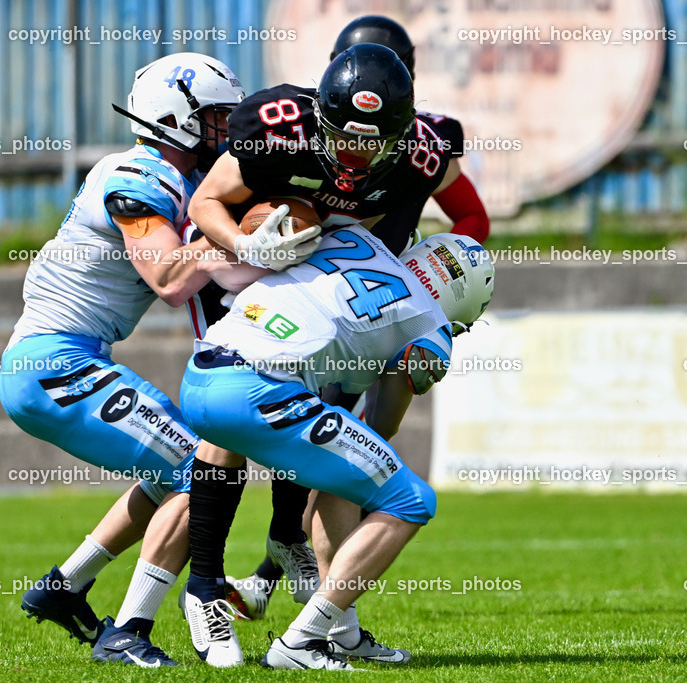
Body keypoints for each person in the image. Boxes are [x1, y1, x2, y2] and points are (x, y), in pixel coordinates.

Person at [0, 51, 316, 667]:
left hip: (68, 358)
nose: (230, 129)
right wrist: (240, 234)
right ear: (179, 118)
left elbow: (213, 264)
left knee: (179, 460)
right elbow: (171, 277)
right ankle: (127, 632)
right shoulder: (133, 176)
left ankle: (65, 587)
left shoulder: (182, 181)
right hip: (53, 364)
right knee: (196, 471)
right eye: (219, 116)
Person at [181, 42, 490, 665]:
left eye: (371, 143)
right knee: (376, 479)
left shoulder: (416, 162)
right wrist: (251, 243)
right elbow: (204, 203)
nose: (353, 155)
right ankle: (229, 597)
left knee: (331, 454)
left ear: (400, 137)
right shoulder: (278, 130)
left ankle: (314, 603)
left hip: (249, 347)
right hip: (249, 263)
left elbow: (466, 217)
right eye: (341, 136)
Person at [180, 227, 495, 669]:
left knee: (346, 475)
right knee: (410, 498)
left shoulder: (356, 235)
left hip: (200, 374)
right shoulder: (431, 325)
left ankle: (340, 631)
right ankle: (300, 642)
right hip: (256, 394)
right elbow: (382, 427)